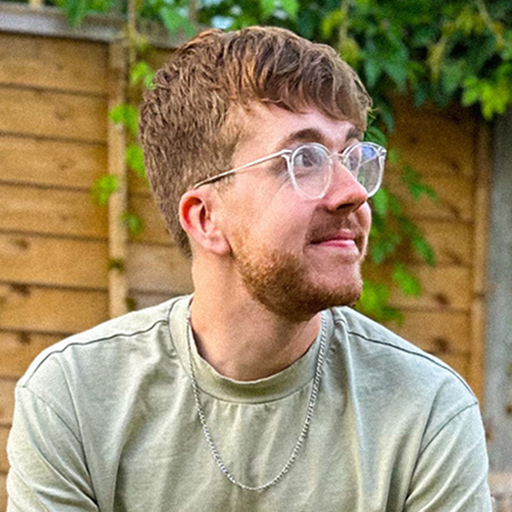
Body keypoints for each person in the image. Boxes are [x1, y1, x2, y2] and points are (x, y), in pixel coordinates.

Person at [7, 26, 491, 511]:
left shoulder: (426, 409)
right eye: (305, 159)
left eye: (351, 156)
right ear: (206, 219)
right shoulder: (76, 396)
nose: (353, 192)